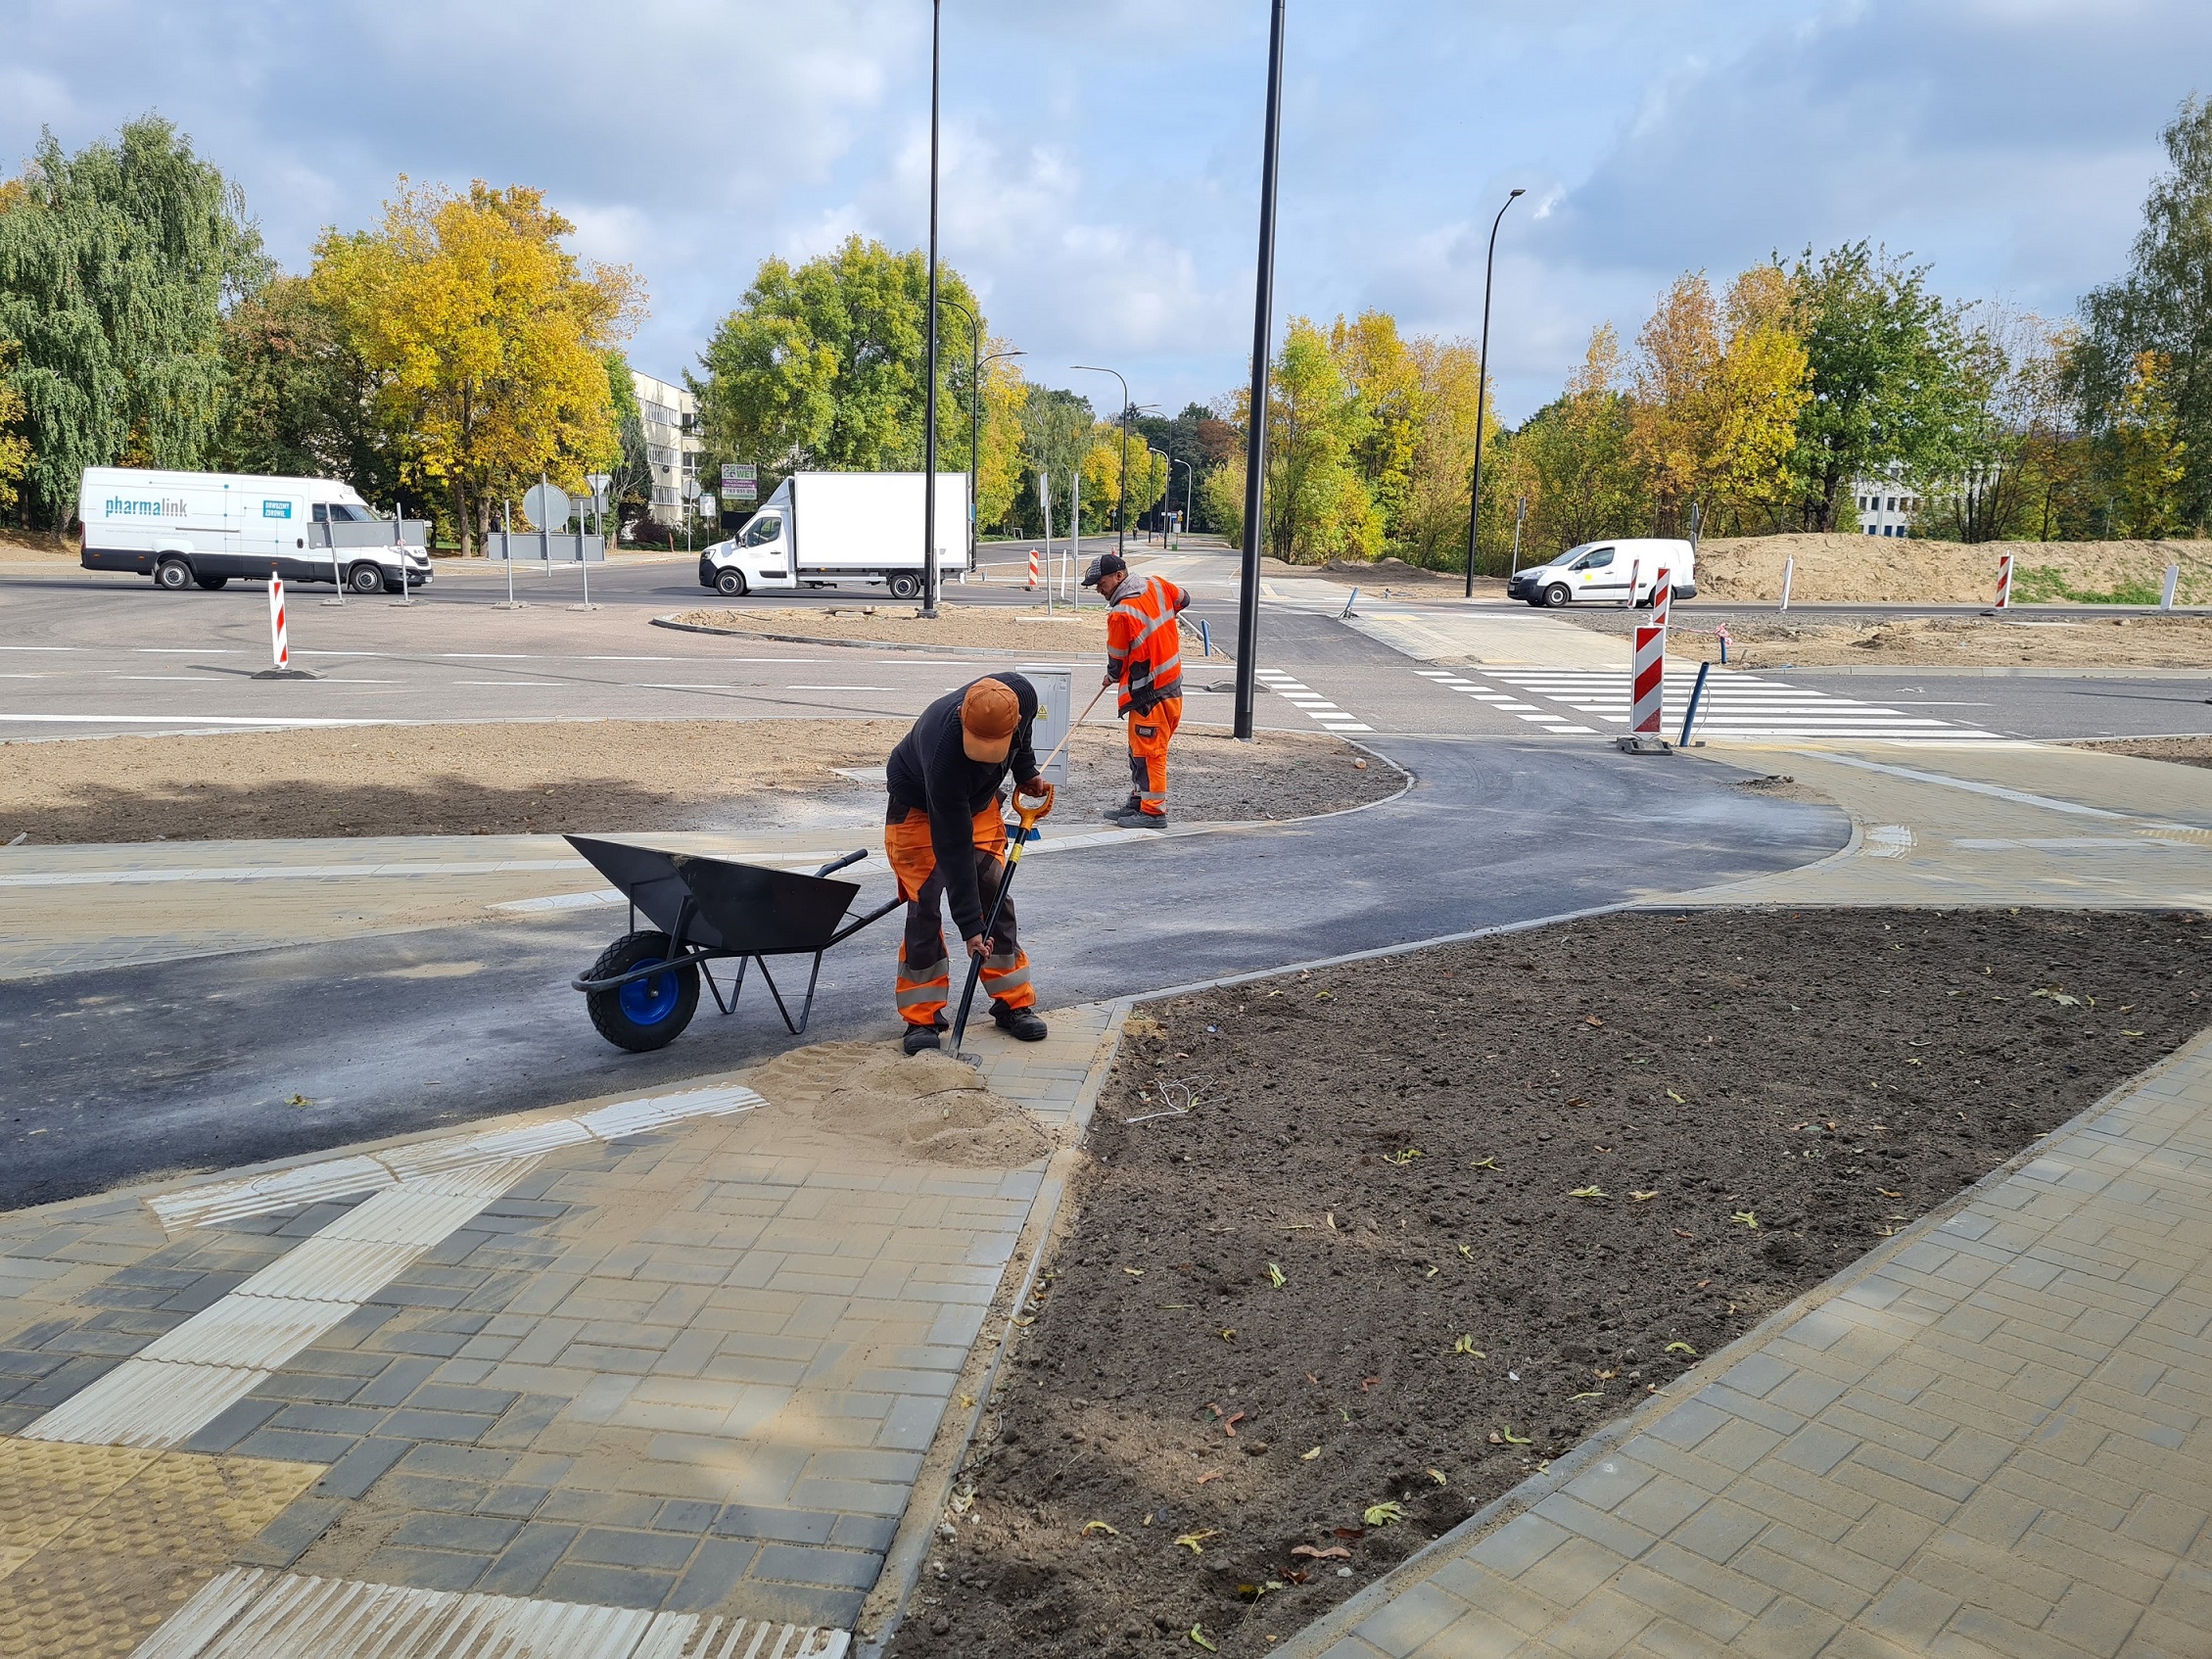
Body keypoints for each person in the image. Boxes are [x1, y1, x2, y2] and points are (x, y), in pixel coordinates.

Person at [883, 674, 1055, 1056]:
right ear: (962, 716)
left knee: (996, 895)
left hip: (978, 806)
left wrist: (1025, 772)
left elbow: (1024, 735)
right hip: (919, 810)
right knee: (924, 905)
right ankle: (921, 1017)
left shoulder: (1020, 695)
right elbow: (954, 844)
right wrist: (970, 926)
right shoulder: (941, 750)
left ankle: (1013, 1003)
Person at [1082, 551, 1191, 829]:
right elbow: (1184, 599)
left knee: (1150, 752)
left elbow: (1117, 659)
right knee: (1139, 750)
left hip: (1149, 694)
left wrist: (1111, 676)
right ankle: (1138, 803)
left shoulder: (1121, 613)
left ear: (1119, 577)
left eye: (1100, 582)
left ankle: (1153, 812)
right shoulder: (1157, 585)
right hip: (1168, 687)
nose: (1098, 588)